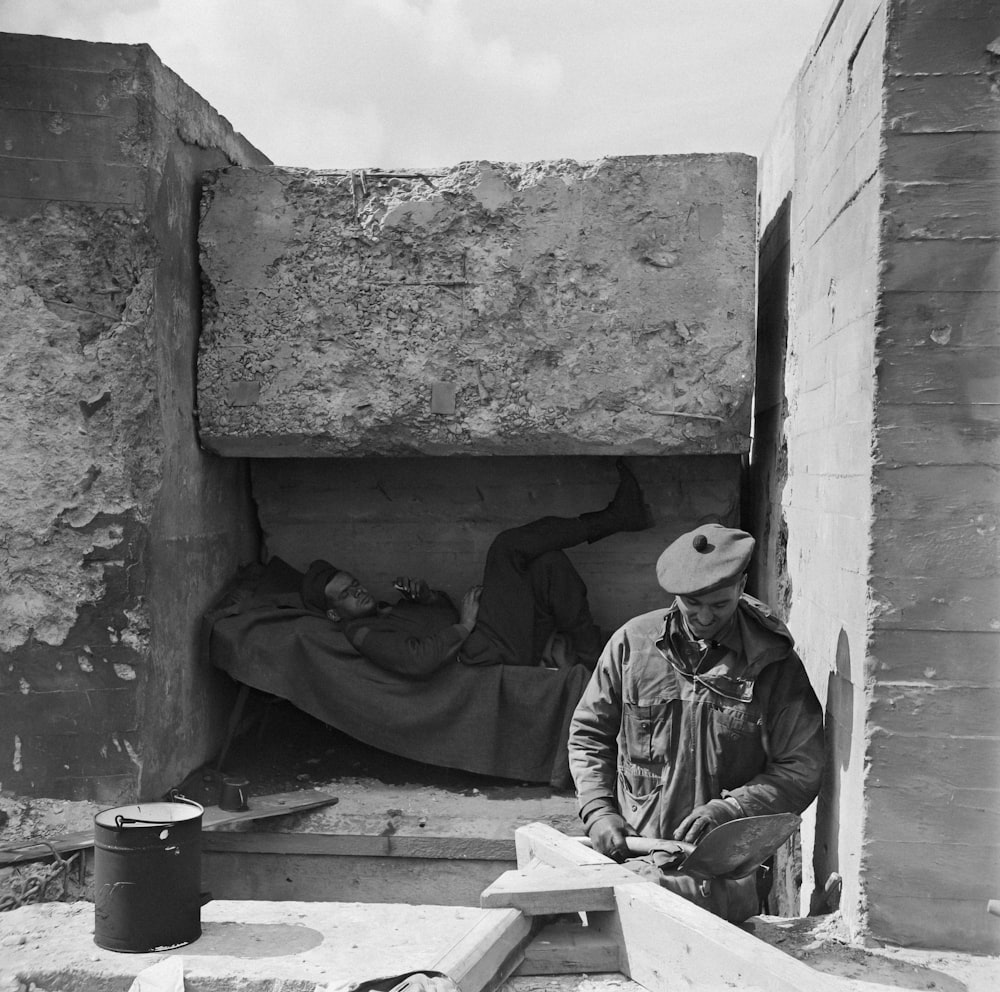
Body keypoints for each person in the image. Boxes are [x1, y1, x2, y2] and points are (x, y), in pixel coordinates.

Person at [568, 523, 824, 922]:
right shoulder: (632, 644)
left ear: (741, 586)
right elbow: (589, 733)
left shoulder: (774, 666)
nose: (704, 617)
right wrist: (599, 810)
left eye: (719, 605)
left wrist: (730, 810)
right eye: (692, 604)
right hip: (636, 858)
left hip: (723, 878)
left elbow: (802, 767)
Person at [299, 460, 653, 680]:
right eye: (346, 594)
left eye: (354, 583)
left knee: (547, 564)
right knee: (506, 548)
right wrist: (464, 625)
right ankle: (614, 518)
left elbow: (438, 619)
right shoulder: (361, 633)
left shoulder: (384, 610)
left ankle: (594, 662)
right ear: (333, 613)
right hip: (485, 651)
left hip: (493, 638)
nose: (358, 591)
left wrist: (427, 598)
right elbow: (419, 661)